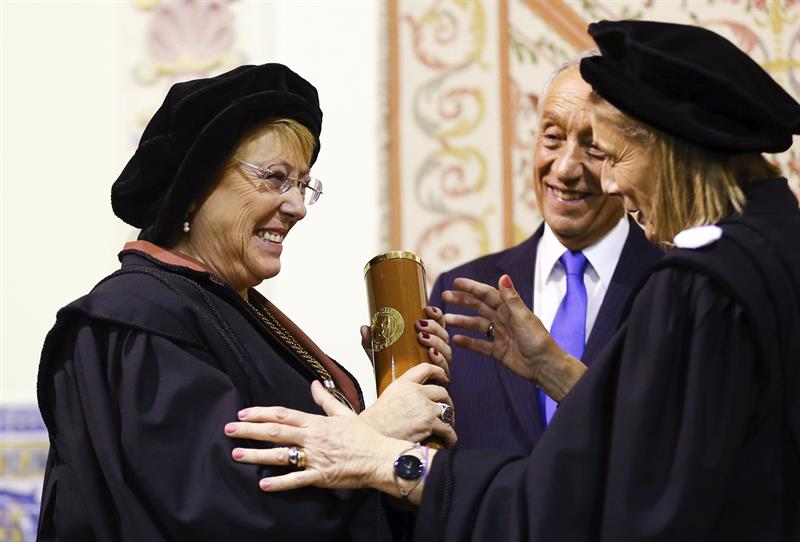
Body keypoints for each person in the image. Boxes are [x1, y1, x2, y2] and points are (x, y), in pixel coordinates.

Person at [224, 21, 800, 541]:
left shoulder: (700, 289)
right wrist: (553, 368)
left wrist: (380, 458)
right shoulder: (772, 252)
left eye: (611, 155)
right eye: (552, 137)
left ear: (666, 148)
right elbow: (665, 444)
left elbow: (586, 500)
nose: (610, 184)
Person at [36, 63, 456, 542]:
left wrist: (414, 425)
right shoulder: (136, 319)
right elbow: (219, 509)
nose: (297, 206)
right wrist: (375, 432)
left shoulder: (231, 310)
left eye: (303, 185)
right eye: (275, 178)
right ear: (194, 189)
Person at [429, 56, 661, 454]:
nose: (566, 168)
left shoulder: (672, 286)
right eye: (552, 137)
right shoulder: (462, 293)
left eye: (595, 147)